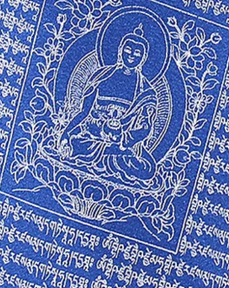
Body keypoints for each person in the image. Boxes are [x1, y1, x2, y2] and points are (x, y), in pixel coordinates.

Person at [61, 26, 160, 185]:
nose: (131, 56)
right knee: (75, 142)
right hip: (92, 137)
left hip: (121, 145)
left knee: (147, 169)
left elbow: (145, 127)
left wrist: (123, 138)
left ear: (143, 58)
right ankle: (101, 154)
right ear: (120, 50)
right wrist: (66, 133)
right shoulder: (101, 76)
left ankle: (104, 154)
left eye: (137, 53)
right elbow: (84, 111)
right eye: (128, 50)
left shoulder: (145, 90)